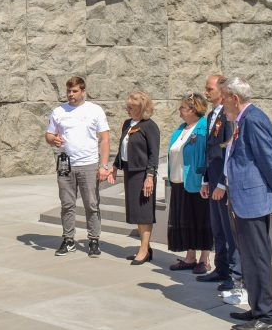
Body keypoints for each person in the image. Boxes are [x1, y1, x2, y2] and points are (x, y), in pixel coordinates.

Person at [219, 77, 272, 330]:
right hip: (242, 200)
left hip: (253, 200)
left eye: (224, 98)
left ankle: (267, 316)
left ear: (234, 99)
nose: (221, 102)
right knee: (249, 257)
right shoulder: (241, 119)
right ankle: (257, 306)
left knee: (257, 257)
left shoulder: (254, 119)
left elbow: (267, 159)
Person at [45, 76, 110, 257]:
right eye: (68, 91)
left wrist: (103, 166)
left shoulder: (95, 111)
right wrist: (53, 139)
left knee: (92, 204)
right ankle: (68, 240)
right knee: (67, 204)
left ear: (83, 91)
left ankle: (94, 240)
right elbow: (49, 135)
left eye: (74, 91)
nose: (70, 94)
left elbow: (104, 139)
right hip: (65, 164)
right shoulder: (59, 111)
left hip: (89, 164)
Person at [198, 75, 241, 295]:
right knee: (218, 228)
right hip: (212, 178)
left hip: (223, 183)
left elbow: (228, 151)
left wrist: (222, 183)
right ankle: (221, 268)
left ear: (221, 90)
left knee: (228, 229)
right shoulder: (211, 115)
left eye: (210, 89)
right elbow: (210, 151)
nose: (206, 92)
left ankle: (235, 275)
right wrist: (206, 179)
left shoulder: (228, 115)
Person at [166, 93, 212, 273]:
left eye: (183, 108)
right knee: (186, 221)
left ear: (193, 110)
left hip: (196, 181)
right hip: (179, 181)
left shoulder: (203, 128)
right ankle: (190, 257)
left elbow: (206, 156)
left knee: (201, 219)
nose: (179, 111)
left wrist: (204, 180)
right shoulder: (181, 129)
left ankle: (205, 259)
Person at [111, 90, 159, 264]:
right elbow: (122, 148)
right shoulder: (127, 124)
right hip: (130, 171)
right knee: (137, 213)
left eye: (131, 107)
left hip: (142, 173)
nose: (127, 110)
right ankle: (145, 247)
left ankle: (144, 250)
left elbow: (154, 153)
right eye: (127, 107)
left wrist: (150, 176)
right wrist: (116, 165)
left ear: (142, 108)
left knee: (144, 212)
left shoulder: (149, 126)